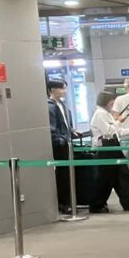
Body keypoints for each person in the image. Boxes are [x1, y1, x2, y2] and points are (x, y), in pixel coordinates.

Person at [89, 90, 129, 212]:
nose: (112, 104)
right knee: (106, 178)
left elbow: (118, 132)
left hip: (113, 146)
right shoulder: (100, 114)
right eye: (111, 102)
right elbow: (109, 131)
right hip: (106, 148)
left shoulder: (106, 114)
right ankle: (97, 205)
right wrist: (119, 121)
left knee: (123, 175)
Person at [47, 78, 79, 214]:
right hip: (59, 145)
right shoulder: (50, 106)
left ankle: (68, 202)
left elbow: (66, 124)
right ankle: (63, 204)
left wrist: (72, 131)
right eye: (62, 88)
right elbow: (52, 128)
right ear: (53, 90)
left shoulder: (62, 105)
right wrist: (61, 139)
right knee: (62, 175)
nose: (64, 91)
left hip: (66, 142)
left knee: (68, 174)